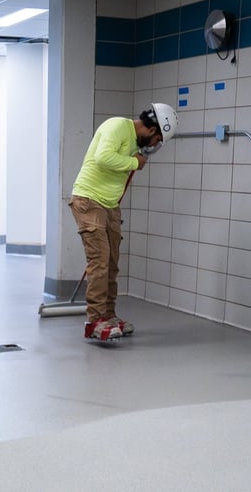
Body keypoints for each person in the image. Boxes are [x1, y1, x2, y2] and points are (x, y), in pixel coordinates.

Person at [69, 103, 178, 340]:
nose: (154, 145)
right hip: (89, 200)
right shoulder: (117, 125)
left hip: (110, 205)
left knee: (111, 262)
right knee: (99, 261)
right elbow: (103, 157)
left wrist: (134, 160)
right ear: (151, 130)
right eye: (157, 140)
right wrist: (134, 163)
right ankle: (95, 321)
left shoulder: (135, 143)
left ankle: (108, 315)